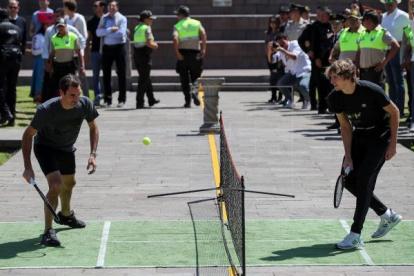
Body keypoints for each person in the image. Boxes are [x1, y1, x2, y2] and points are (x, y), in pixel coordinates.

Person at [326, 59, 402, 250]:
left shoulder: (371, 90)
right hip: (360, 136)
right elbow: (345, 126)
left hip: (380, 136)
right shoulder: (335, 98)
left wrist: (393, 144)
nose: (332, 80)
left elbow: (394, 112)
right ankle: (387, 215)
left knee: (364, 180)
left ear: (347, 77)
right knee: (350, 181)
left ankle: (355, 234)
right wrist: (348, 156)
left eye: (335, 77)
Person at [22, 74, 99, 247]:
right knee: (56, 185)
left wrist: (93, 154)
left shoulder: (85, 104)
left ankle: (65, 215)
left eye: (78, 94)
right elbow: (27, 135)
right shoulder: (46, 110)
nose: (76, 99)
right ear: (61, 93)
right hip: (45, 148)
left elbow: (93, 127)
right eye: (72, 95)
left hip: (66, 147)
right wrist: (28, 167)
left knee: (70, 183)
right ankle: (48, 231)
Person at [42, 8, 86, 103]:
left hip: (69, 65)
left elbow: (79, 52)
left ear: (66, 25)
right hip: (58, 65)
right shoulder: (54, 38)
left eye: (62, 26)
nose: (60, 28)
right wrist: (49, 64)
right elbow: (52, 52)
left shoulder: (73, 36)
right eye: (59, 27)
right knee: (56, 87)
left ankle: (75, 102)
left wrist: (82, 66)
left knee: (72, 85)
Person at [173, 5, 207, 108]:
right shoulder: (197, 23)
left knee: (184, 79)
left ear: (181, 15)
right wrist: (203, 49)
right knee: (196, 77)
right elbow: (204, 34)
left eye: (177, 14)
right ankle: (195, 92)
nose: (176, 17)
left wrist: (177, 53)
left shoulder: (178, 25)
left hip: (182, 54)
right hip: (195, 54)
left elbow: (175, 39)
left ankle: (187, 102)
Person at [96, 0, 128, 108]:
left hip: (119, 47)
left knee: (121, 73)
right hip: (107, 48)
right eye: (110, 6)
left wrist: (106, 32)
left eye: (113, 6)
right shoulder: (104, 18)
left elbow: (121, 33)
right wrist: (110, 30)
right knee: (106, 74)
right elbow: (98, 33)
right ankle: (107, 99)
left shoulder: (122, 18)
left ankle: (122, 99)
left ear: (117, 8)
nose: (111, 8)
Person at [381, 0, 410, 117]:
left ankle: (400, 110)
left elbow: (410, 34)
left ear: (396, 3)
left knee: (398, 81)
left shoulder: (403, 16)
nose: (388, 4)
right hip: (386, 50)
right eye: (386, 2)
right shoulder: (383, 16)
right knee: (390, 82)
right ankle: (393, 109)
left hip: (399, 50)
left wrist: (408, 53)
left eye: (391, 1)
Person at [357, 11, 399, 88]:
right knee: (365, 98)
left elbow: (396, 46)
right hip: (363, 72)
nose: (363, 22)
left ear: (371, 21)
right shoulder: (362, 33)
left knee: (378, 97)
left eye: (364, 20)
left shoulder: (382, 32)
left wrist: (384, 63)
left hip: (376, 72)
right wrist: (357, 67)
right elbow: (359, 51)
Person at [275, 34, 311, 109]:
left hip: (304, 70)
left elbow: (294, 56)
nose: (282, 45)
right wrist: (270, 49)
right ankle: (290, 101)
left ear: (287, 39)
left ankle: (310, 101)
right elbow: (273, 60)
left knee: (302, 86)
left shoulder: (295, 44)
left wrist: (283, 50)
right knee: (281, 83)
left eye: (283, 43)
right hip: (293, 72)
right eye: (280, 44)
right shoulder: (281, 50)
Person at [133, 10, 160, 109]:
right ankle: (139, 102)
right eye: (150, 19)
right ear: (145, 19)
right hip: (145, 56)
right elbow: (149, 43)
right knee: (143, 80)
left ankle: (151, 99)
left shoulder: (137, 27)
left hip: (137, 55)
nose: (152, 20)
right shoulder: (147, 28)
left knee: (145, 78)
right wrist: (156, 45)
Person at [0, 8, 22, 126]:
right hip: (16, 58)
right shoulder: (17, 28)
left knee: (1, 87)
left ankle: (6, 112)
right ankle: (12, 117)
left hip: (3, 59)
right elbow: (21, 44)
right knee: (12, 88)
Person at [63, 0, 89, 98]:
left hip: (78, 51)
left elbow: (84, 35)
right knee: (71, 76)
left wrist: (79, 49)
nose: (63, 9)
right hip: (69, 52)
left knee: (82, 75)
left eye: (64, 7)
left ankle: (86, 97)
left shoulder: (79, 18)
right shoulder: (65, 18)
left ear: (68, 8)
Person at [87, 0, 105, 106]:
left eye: (96, 6)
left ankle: (106, 95)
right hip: (95, 51)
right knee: (95, 75)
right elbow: (89, 37)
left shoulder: (107, 19)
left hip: (107, 51)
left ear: (102, 7)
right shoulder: (91, 21)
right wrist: (87, 50)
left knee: (106, 74)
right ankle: (97, 95)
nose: (94, 8)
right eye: (93, 6)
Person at [265, 15, 283, 103]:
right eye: (271, 23)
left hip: (279, 57)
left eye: (274, 23)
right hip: (270, 57)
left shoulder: (280, 33)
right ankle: (273, 95)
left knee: (279, 76)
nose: (273, 25)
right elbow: (266, 45)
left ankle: (280, 95)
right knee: (272, 77)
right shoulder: (268, 33)